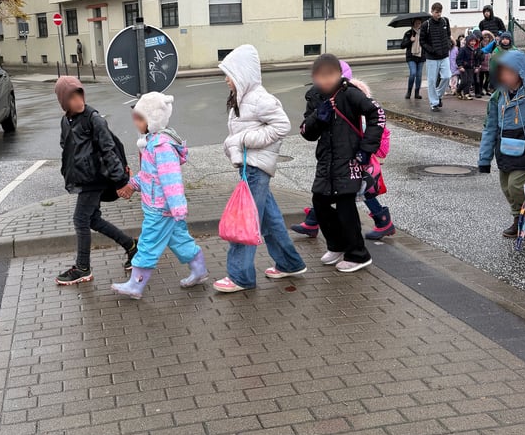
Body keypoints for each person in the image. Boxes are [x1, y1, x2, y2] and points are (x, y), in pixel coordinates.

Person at [214, 45, 306, 293]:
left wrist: (244, 140)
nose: (226, 80)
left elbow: (282, 126)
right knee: (270, 219)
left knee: (244, 219)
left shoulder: (259, 98)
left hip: (256, 167)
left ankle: (240, 276)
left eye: (229, 74)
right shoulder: (244, 97)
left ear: (242, 73)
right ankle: (290, 263)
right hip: (250, 167)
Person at [111, 93, 206, 299]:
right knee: (179, 239)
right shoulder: (153, 142)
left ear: (152, 120)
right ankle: (199, 271)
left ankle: (135, 286)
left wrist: (178, 207)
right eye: (135, 117)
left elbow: (171, 180)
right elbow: (149, 176)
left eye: (139, 118)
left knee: (147, 244)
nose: (135, 123)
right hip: (164, 207)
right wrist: (133, 184)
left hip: (160, 209)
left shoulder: (161, 146)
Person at [300, 55, 384, 273]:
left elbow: (377, 114)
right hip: (326, 161)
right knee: (320, 201)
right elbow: (306, 132)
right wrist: (319, 117)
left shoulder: (350, 94)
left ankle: (358, 254)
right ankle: (337, 245)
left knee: (346, 207)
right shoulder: (314, 97)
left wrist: (366, 149)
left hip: (349, 160)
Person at [53, 76, 137, 286]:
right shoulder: (66, 121)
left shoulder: (93, 118)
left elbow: (108, 150)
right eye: (72, 97)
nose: (78, 100)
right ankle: (131, 246)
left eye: (80, 94)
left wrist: (121, 181)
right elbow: (67, 148)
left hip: (96, 179)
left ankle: (83, 267)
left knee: (80, 219)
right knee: (92, 220)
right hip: (83, 178)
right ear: (64, 101)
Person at [478, 50, 525, 237]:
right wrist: (484, 158)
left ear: (520, 72)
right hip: (504, 149)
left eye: (509, 72)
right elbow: (490, 127)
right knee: (506, 188)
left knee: (517, 185)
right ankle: (518, 218)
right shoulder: (497, 97)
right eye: (501, 72)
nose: (504, 77)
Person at [420, 3, 452, 112]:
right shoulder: (426, 24)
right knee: (432, 80)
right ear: (432, 11)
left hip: (444, 55)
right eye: (436, 12)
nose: (438, 14)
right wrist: (431, 50)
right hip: (432, 57)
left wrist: (448, 45)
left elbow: (448, 35)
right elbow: (422, 41)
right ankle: (434, 103)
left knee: (447, 76)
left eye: (440, 12)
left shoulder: (445, 21)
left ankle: (437, 95)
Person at [399, 19, 424, 100]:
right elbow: (402, 45)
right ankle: (409, 91)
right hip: (411, 57)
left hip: (421, 57)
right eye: (416, 23)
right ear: (413, 24)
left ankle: (417, 93)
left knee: (419, 75)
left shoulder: (423, 33)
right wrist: (410, 40)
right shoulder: (408, 33)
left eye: (419, 23)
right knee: (413, 73)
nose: (418, 25)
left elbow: (426, 44)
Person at [456, 35, 484, 101]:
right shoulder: (463, 49)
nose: (473, 43)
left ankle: (466, 94)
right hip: (464, 67)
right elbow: (458, 59)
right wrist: (460, 66)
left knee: (469, 81)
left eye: (474, 41)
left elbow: (476, 59)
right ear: (468, 41)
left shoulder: (475, 50)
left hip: (471, 67)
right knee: (464, 81)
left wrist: (477, 67)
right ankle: (458, 90)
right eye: (471, 41)